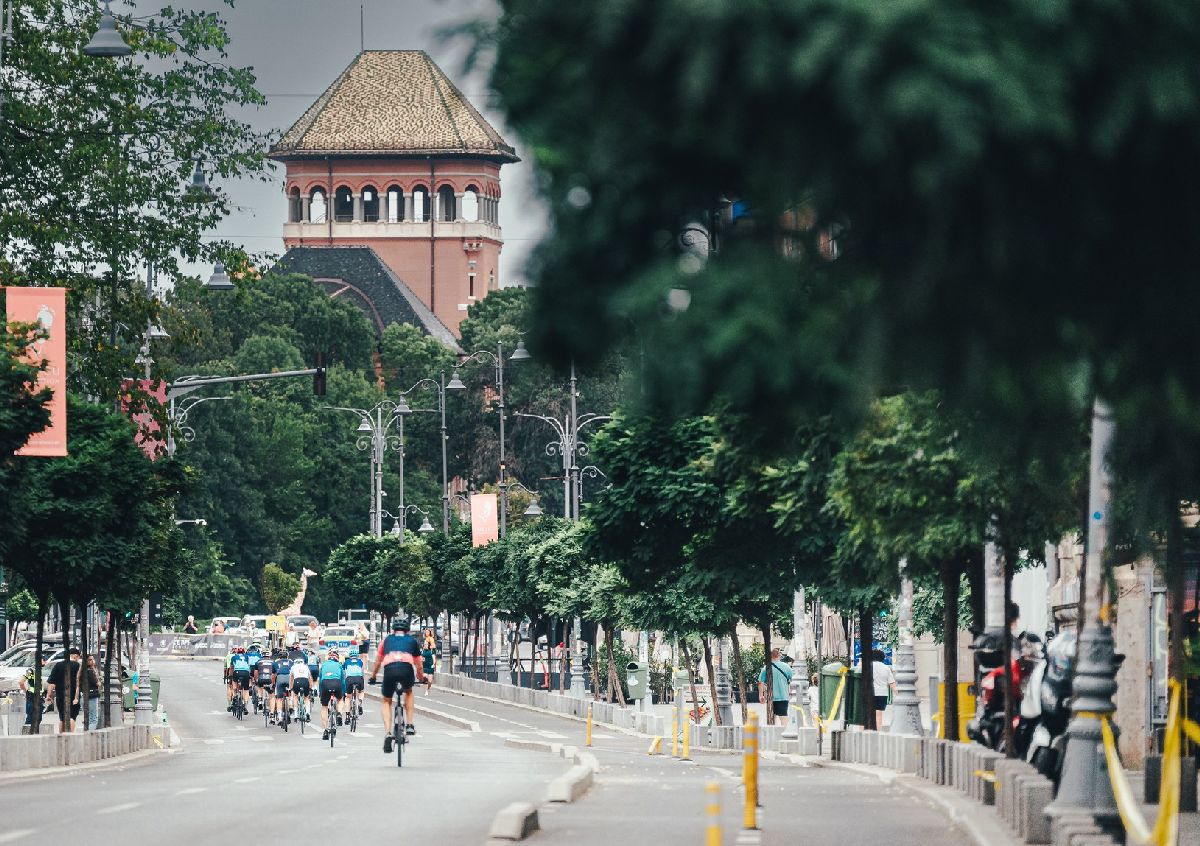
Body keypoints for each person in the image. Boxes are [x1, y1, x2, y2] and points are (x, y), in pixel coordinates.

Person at [369, 618, 427, 753]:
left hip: (390, 670)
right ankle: (410, 724)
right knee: (409, 692)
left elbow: (378, 662)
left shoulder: (386, 640)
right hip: (406, 669)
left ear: (393, 629)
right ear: (407, 630)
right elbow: (419, 664)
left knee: (386, 700)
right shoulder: (412, 641)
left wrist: (373, 677)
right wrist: (421, 678)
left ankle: (388, 732)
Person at [45, 647, 82, 733]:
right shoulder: (78, 666)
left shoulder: (58, 665)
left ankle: (61, 737)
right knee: (72, 717)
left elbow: (52, 683)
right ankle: (70, 736)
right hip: (73, 696)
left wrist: (48, 696)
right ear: (76, 656)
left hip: (60, 695)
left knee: (62, 718)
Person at [758, 647, 793, 725]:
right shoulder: (786, 667)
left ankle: (772, 736)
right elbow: (793, 679)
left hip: (771, 697)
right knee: (783, 718)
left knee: (771, 719)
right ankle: (785, 734)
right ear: (779, 656)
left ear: (770, 656)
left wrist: (761, 695)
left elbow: (760, 682)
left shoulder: (766, 668)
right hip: (783, 696)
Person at [317, 648, 345, 740]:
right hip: (337, 683)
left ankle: (325, 730)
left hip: (325, 683)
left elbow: (320, 681)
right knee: (340, 699)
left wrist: (320, 693)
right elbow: (343, 681)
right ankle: (339, 713)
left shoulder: (324, 665)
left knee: (324, 706)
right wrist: (343, 692)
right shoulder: (339, 665)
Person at [869, 649, 895, 728]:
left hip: (869, 693)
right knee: (878, 715)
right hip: (882, 694)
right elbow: (892, 683)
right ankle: (878, 732)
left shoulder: (867, 666)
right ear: (882, 658)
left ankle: (864, 733)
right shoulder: (886, 668)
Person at [19, 654, 47, 727]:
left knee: (37, 718)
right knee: (31, 718)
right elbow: (21, 682)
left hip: (38, 697)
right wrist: (25, 691)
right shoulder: (31, 670)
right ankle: (27, 735)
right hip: (32, 696)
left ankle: (33, 734)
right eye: (44, 660)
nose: (45, 662)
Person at [291, 651, 314, 721]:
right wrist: (311, 687)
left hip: (297, 681)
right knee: (306, 697)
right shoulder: (305, 667)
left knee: (295, 695)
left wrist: (291, 688)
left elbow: (291, 678)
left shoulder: (293, 667)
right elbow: (310, 677)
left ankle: (295, 713)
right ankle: (307, 712)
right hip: (305, 681)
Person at [271, 648, 292, 723]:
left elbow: (273, 675)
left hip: (280, 678)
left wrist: (273, 684)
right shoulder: (291, 662)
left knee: (279, 699)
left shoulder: (276, 663)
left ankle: (280, 716)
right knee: (290, 695)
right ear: (287, 656)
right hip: (289, 678)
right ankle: (290, 706)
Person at [342, 649, 366, 718]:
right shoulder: (360, 661)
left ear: (350, 656)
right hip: (359, 678)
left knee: (347, 697)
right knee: (361, 691)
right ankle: (360, 703)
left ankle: (347, 716)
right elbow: (362, 672)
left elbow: (344, 673)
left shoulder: (346, 662)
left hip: (349, 679)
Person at [227, 647, 251, 712]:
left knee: (234, 682)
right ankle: (245, 705)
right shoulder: (247, 657)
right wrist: (250, 676)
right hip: (246, 673)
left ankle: (235, 695)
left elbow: (231, 668)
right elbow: (249, 667)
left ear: (237, 652)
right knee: (246, 690)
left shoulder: (234, 657)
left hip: (237, 672)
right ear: (244, 652)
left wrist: (230, 676)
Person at [83, 655, 101, 730]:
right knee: (93, 718)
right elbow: (97, 683)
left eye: (93, 659)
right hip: (92, 695)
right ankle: (91, 735)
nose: (92, 661)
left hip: (85, 695)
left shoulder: (83, 671)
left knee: (89, 717)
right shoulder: (90, 671)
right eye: (90, 660)